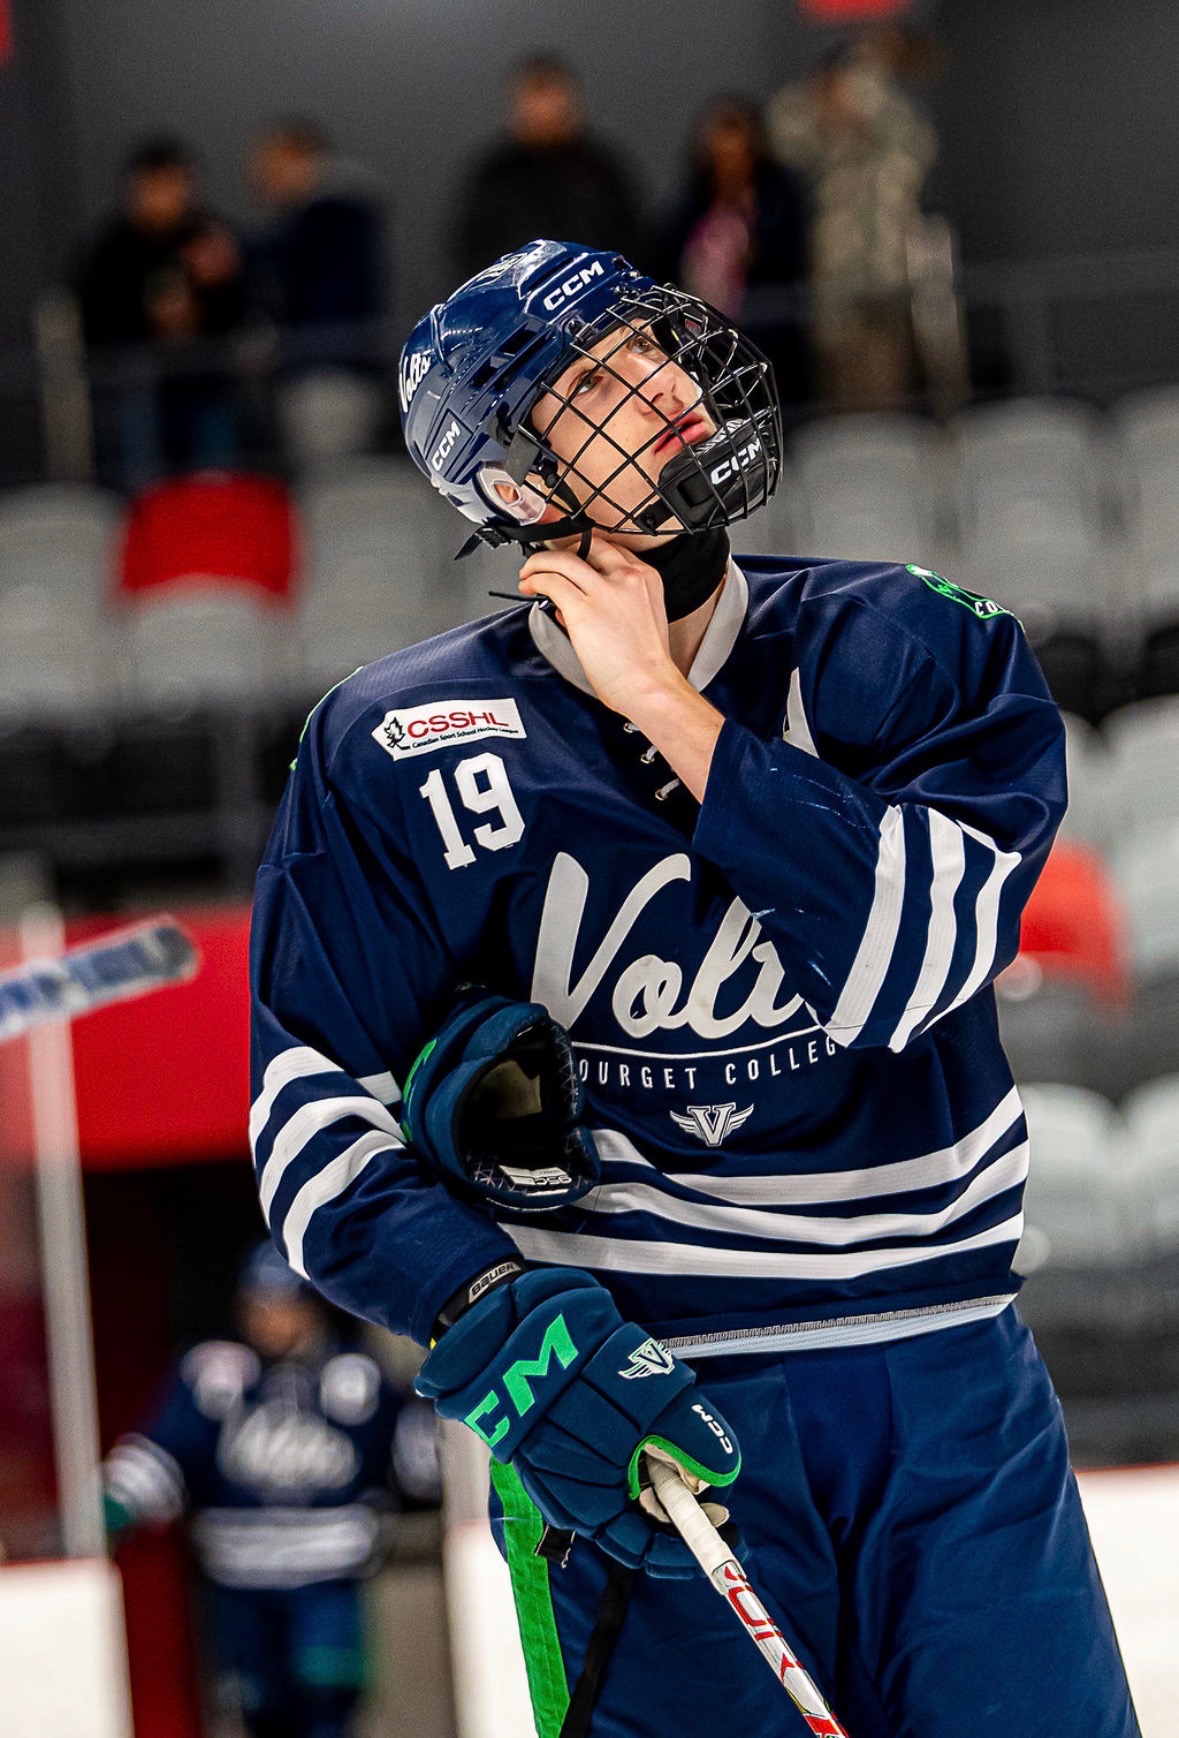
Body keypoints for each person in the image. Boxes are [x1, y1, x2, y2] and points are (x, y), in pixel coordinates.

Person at [249, 238, 1141, 1735]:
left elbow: (898, 967)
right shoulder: (385, 746)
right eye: (595, 382)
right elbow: (310, 1117)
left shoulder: (918, 647)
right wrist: (490, 1309)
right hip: (637, 1410)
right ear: (521, 485)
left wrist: (662, 702)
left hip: (949, 1393)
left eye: (658, 346)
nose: (665, 386)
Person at [102, 1241, 424, 1738]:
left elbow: (414, 1465)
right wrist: (118, 1501)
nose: (268, 1318)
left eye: (281, 1305)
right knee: (260, 1710)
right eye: (258, 1305)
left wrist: (434, 1420)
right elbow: (165, 1451)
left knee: (327, 1706)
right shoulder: (214, 1375)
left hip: (328, 1581)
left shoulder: (356, 1376)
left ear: (310, 1307)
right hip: (240, 1584)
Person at [767, 36, 937, 411]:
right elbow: (781, 131)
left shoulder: (897, 134)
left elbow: (906, 135)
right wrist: (819, 94)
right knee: (837, 385)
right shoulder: (827, 142)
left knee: (888, 385)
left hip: (887, 271)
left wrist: (866, 71)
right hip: (834, 274)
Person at [77, 138, 247, 488]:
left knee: (217, 482)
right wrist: (149, 317)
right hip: (138, 389)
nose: (166, 197)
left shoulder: (213, 239)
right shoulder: (111, 249)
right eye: (155, 186)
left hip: (205, 381)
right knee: (143, 477)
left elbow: (242, 312)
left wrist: (208, 297)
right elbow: (95, 322)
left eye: (175, 184)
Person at [653, 95, 811, 413]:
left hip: (771, 345)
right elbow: (662, 267)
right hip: (705, 351)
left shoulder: (780, 203)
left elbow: (796, 262)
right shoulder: (686, 211)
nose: (729, 160)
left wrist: (758, 254)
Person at [454, 55, 640, 281]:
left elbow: (632, 246)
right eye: (533, 97)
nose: (542, 110)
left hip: (600, 304)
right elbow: (470, 254)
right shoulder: (493, 178)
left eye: (550, 96)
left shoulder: (602, 172)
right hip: (515, 309)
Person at [249, 119, 386, 374]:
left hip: (331, 370)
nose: (261, 179)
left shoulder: (333, 217)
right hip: (330, 367)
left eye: (272, 167)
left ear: (298, 160)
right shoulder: (336, 216)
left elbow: (286, 254)